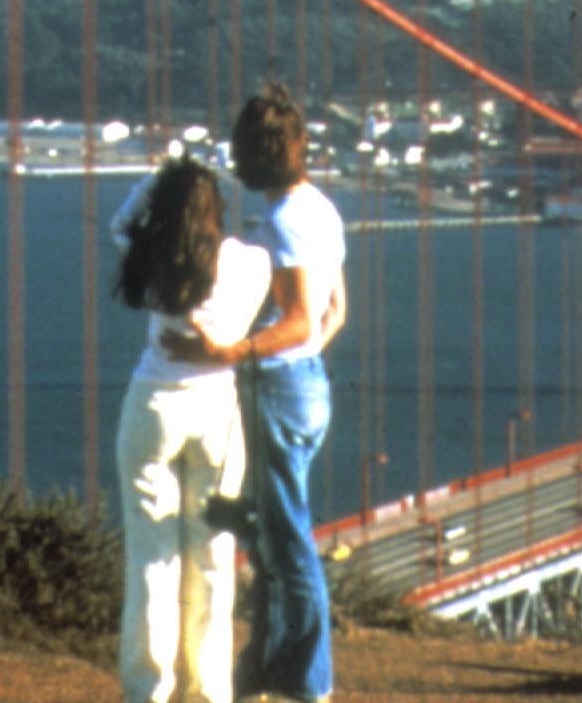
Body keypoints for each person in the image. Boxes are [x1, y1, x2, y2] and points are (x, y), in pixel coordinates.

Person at [165, 85, 347, 703]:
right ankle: (261, 676)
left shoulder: (282, 222)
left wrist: (231, 352)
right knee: (271, 540)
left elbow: (296, 318)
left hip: (280, 387)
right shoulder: (319, 207)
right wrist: (303, 348)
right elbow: (333, 311)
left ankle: (309, 686)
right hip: (309, 385)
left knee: (289, 548)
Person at [112, 153, 273, 703]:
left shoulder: (155, 262)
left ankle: (148, 690)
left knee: (150, 558)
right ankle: (209, 693)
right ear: (218, 210)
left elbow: (119, 224)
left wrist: (153, 180)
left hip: (153, 404)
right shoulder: (252, 264)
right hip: (216, 413)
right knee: (211, 559)